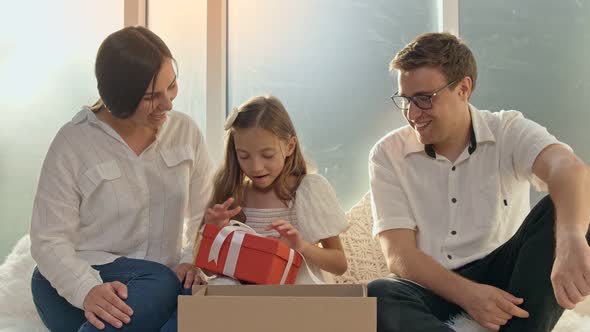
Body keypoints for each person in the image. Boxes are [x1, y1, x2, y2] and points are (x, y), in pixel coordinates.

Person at [367, 32, 590, 332]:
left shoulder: (507, 129)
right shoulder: (386, 154)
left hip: (508, 285)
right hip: (435, 288)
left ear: (463, 88)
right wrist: (470, 295)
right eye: (405, 100)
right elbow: (399, 255)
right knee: (380, 292)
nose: (411, 113)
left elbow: (568, 168)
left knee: (565, 206)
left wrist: (571, 237)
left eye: (423, 99)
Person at [30, 26, 213, 332]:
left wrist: (191, 259)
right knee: (162, 286)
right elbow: (48, 239)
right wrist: (87, 290)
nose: (167, 103)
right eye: (151, 97)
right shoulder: (73, 143)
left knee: (186, 298)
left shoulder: (186, 133)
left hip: (159, 288)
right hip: (75, 284)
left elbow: (205, 215)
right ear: (118, 98)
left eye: (172, 86)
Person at [200, 95, 348, 283]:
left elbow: (339, 265)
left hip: (295, 292)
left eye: (267, 155)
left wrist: (301, 247)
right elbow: (209, 270)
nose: (256, 167)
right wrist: (213, 233)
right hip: (245, 299)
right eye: (244, 156)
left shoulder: (308, 190)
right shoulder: (232, 193)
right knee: (221, 285)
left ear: (290, 146)